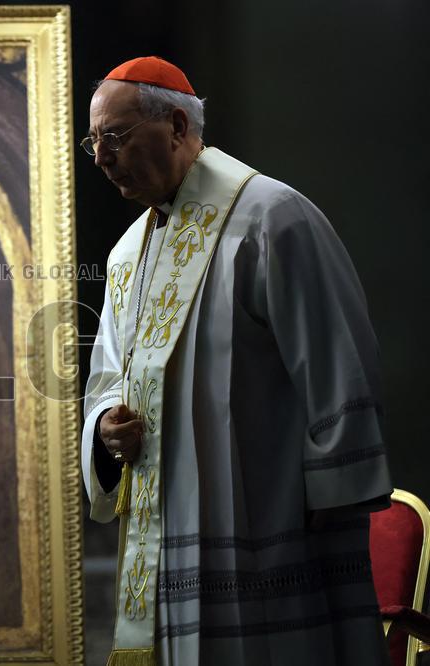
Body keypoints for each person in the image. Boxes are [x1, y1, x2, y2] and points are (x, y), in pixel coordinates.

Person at [80, 56, 392, 665]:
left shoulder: (272, 220)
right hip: (165, 543)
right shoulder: (126, 255)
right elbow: (107, 382)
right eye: (94, 142)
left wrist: (330, 508)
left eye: (114, 137)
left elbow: (338, 366)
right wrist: (105, 430)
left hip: (270, 538)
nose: (101, 159)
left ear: (176, 126)